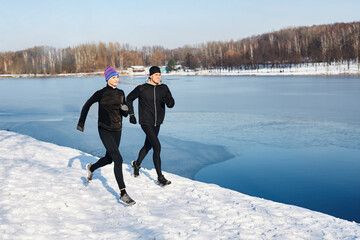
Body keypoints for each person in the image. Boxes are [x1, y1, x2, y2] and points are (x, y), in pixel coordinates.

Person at [77, 66, 135, 205]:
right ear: (107, 78)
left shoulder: (121, 93)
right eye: (113, 77)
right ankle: (123, 193)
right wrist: (81, 123)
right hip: (104, 128)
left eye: (117, 77)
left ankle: (92, 168)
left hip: (117, 129)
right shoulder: (101, 93)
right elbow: (86, 105)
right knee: (118, 159)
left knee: (110, 158)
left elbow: (125, 113)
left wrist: (125, 110)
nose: (116, 80)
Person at [126, 66, 175, 185]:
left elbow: (171, 104)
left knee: (148, 145)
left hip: (157, 122)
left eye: (159, 75)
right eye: (156, 75)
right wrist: (131, 115)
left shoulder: (164, 88)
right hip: (145, 121)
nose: (158, 77)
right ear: (150, 76)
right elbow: (129, 98)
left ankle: (136, 164)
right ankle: (160, 177)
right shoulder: (142, 88)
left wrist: (168, 100)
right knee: (157, 146)